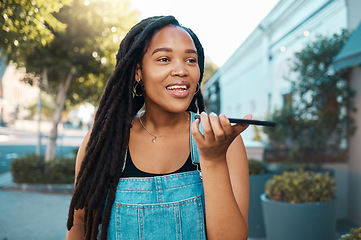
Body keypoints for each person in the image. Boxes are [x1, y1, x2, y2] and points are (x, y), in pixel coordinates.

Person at [66, 15, 251, 240]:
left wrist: (213, 159)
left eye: (191, 60)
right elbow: (79, 225)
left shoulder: (224, 141)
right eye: (164, 59)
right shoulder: (103, 141)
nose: (181, 70)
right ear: (138, 71)